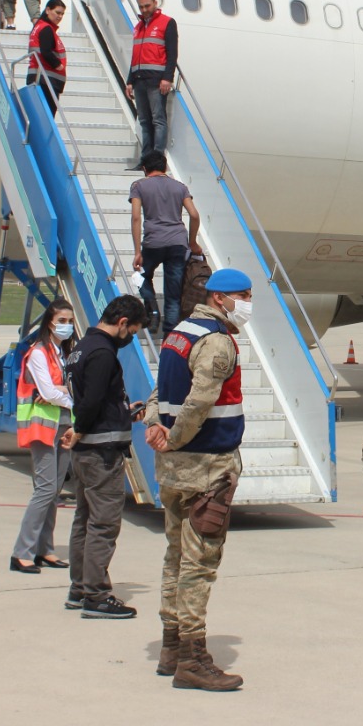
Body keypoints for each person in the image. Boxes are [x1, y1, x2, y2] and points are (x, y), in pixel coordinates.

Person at [145, 268, 254, 692]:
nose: (247, 303)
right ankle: (193, 657)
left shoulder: (179, 333)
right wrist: (173, 437)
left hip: (173, 470)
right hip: (206, 466)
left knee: (175, 555)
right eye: (243, 295)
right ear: (220, 298)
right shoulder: (217, 342)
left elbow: (160, 391)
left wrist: (157, 427)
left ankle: (171, 646)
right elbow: (200, 400)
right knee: (199, 563)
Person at [60, 294, 151, 619]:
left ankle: (80, 588)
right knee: (104, 523)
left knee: (84, 518)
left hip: (87, 451)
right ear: (122, 323)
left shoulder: (81, 348)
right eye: (133, 331)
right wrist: (81, 428)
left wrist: (123, 414)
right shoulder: (102, 352)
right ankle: (97, 595)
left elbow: (93, 398)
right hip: (100, 451)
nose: (131, 339)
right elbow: (93, 400)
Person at [10, 298, 76, 573]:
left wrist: (62, 393)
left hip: (62, 425)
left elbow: (57, 391)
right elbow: (48, 392)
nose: (67, 326)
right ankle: (21, 552)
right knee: (45, 489)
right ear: (49, 322)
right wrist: (71, 396)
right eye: (62, 321)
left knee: (54, 491)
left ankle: (44, 549)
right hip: (42, 428)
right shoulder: (39, 352)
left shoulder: (62, 353)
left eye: (70, 322)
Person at [130, 150, 201, 338]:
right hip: (178, 243)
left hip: (153, 242)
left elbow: (136, 217)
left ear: (145, 169)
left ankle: (152, 309)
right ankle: (169, 336)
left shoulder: (138, 186)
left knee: (141, 274)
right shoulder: (180, 187)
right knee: (173, 294)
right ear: (165, 167)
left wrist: (138, 251)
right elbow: (194, 215)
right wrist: (192, 242)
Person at [129, 0, 179, 165]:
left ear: (155, 3)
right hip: (139, 80)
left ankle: (157, 159)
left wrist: (168, 77)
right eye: (141, 7)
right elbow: (135, 56)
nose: (144, 10)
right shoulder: (138, 27)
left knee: (158, 119)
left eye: (147, 6)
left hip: (157, 80)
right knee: (144, 121)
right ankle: (145, 159)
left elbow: (172, 53)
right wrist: (129, 81)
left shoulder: (167, 23)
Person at [25, 0, 67, 115]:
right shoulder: (46, 29)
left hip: (39, 77)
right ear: (48, 10)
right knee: (47, 115)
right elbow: (46, 51)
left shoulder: (39, 26)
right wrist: (59, 66)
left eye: (62, 14)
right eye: (57, 12)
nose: (60, 16)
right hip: (46, 80)